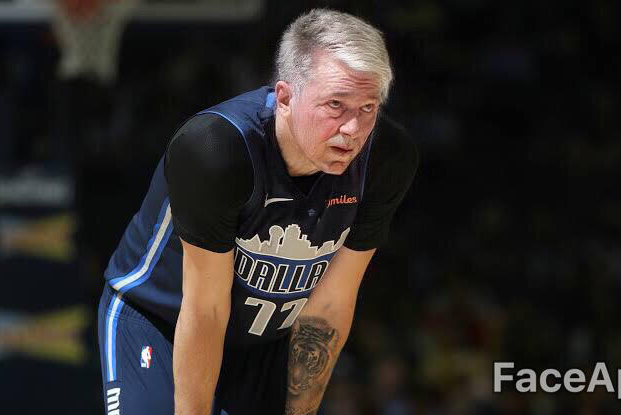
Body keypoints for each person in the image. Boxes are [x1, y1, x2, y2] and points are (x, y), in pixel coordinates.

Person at [97, 8, 418, 415]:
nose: (352, 130)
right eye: (336, 105)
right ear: (285, 97)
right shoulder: (215, 148)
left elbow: (329, 307)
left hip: (265, 342)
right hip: (161, 320)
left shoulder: (387, 158)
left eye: (368, 108)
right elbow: (207, 309)